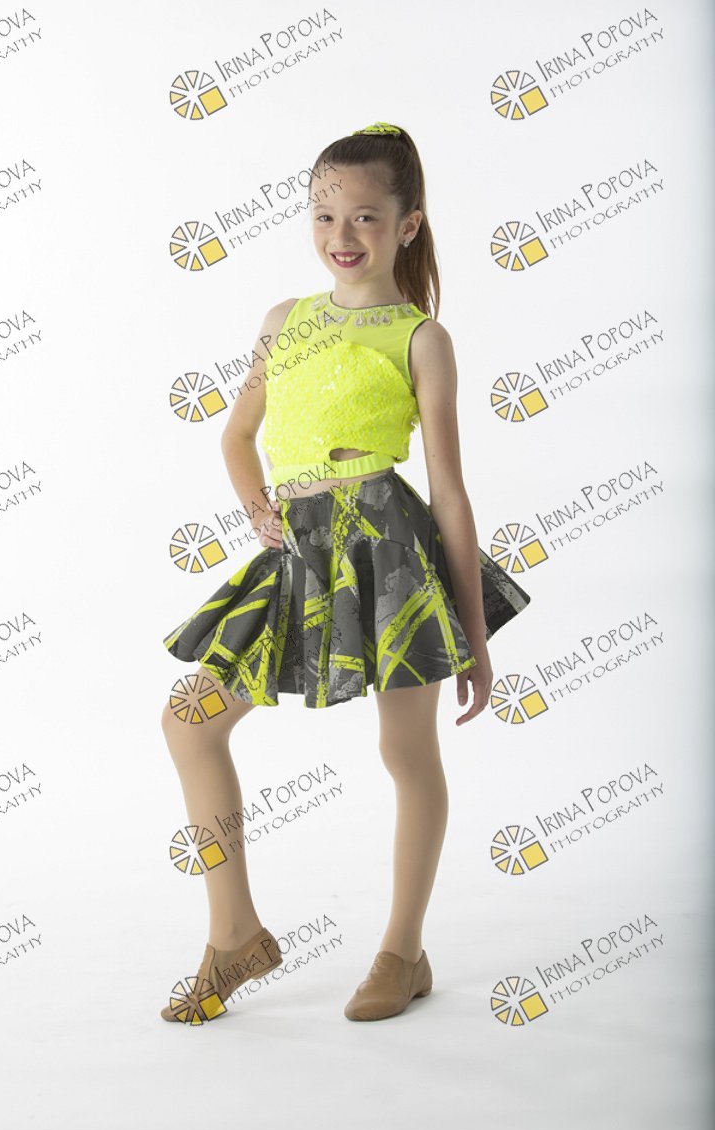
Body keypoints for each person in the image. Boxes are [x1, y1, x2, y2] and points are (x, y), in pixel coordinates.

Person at [158, 121, 531, 1025]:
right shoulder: (284, 322)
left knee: (406, 751)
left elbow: (449, 491)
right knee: (189, 721)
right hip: (299, 549)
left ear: (408, 225)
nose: (342, 234)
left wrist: (474, 636)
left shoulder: (421, 338)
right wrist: (259, 509)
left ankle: (402, 951)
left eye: (364, 215)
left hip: (389, 553)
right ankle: (234, 933)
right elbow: (237, 435)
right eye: (325, 215)